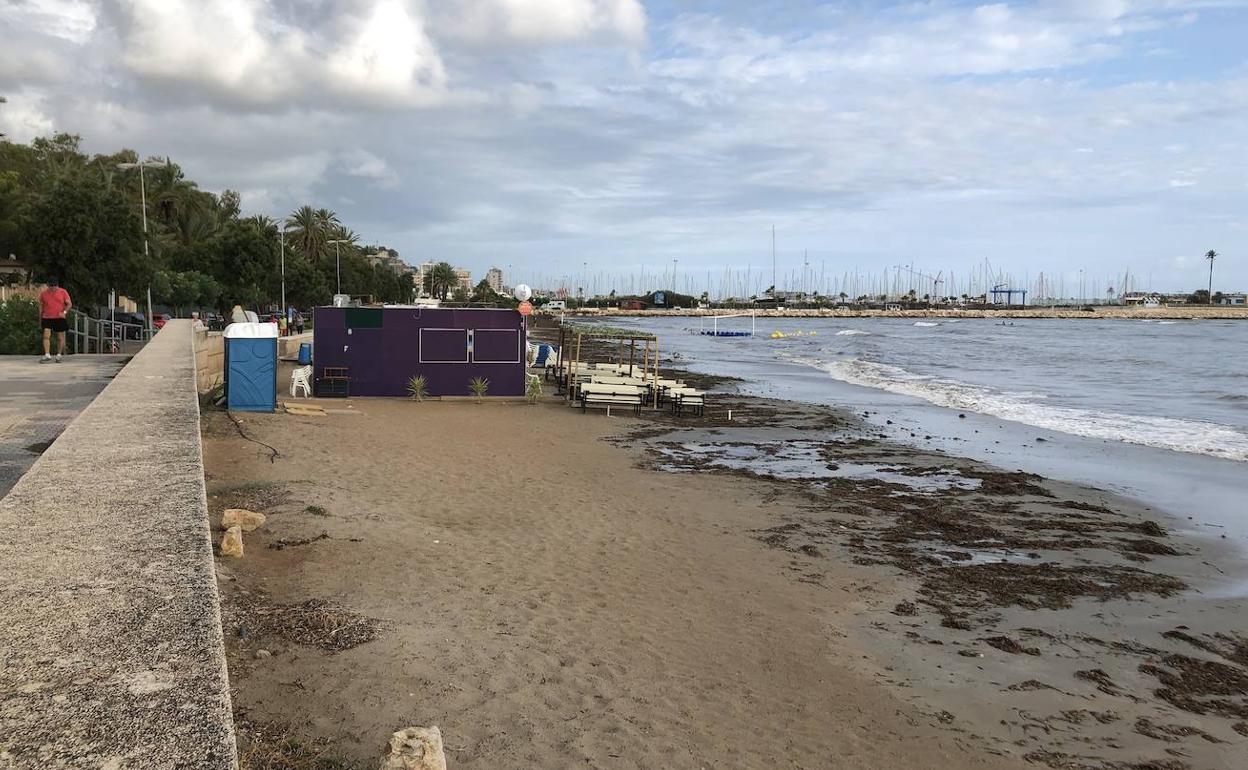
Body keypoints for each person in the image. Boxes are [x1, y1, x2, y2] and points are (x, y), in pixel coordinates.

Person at [38, 278, 72, 363]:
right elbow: (41, 306)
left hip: (59, 317)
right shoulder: (43, 294)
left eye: (55, 286)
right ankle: (47, 354)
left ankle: (59, 355)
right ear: (48, 285)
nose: (53, 288)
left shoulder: (63, 292)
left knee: (60, 337)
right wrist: (40, 317)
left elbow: (69, 304)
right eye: (51, 286)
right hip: (47, 317)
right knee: (46, 336)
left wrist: (64, 312)